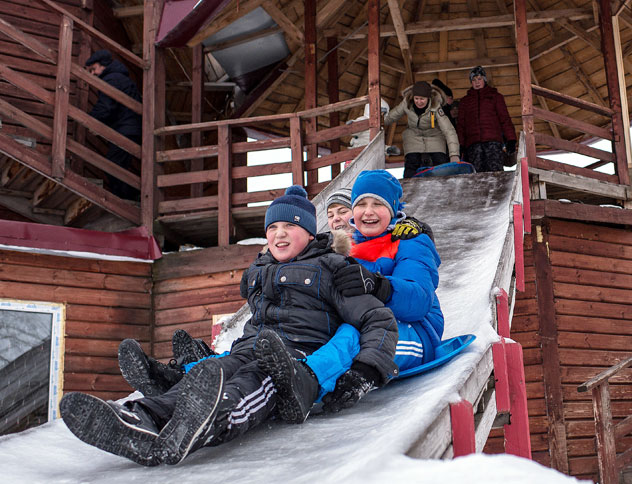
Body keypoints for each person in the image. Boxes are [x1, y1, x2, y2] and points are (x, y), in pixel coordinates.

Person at [60, 185, 398, 466]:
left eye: (289, 227)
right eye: (271, 228)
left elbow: (378, 320)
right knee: (209, 374)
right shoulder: (260, 270)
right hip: (249, 347)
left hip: (293, 358)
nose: (278, 234)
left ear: (310, 233)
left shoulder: (334, 268)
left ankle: (212, 421)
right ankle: (141, 417)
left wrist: (368, 370)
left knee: (252, 382)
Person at [319, 170, 444, 388]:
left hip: (413, 331)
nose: (368, 212)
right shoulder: (347, 249)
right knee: (334, 335)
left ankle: (333, 380)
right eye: (360, 204)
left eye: (378, 203)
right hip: (365, 325)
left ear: (392, 208)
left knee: (354, 340)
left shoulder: (411, 242)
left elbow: (419, 300)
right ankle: (302, 378)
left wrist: (378, 286)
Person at [84, 49, 142, 200]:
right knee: (118, 165)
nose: (92, 74)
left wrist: (91, 121)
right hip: (129, 128)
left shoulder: (112, 79)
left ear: (103, 65)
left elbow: (106, 106)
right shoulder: (118, 78)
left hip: (126, 129)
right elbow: (114, 108)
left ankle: (126, 198)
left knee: (113, 164)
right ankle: (127, 196)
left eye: (93, 69)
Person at [384, 80, 460, 178]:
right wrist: (379, 123)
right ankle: (408, 188)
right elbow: (391, 117)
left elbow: (449, 130)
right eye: (417, 98)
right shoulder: (406, 103)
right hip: (413, 136)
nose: (419, 102)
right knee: (411, 163)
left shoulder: (435, 106)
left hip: (434, 136)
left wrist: (454, 155)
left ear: (428, 98)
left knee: (440, 162)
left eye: (422, 99)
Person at [456, 66, 516, 172]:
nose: (477, 82)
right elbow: (461, 125)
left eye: (479, 79)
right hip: (473, 145)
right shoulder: (465, 102)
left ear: (484, 80)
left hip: (493, 143)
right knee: (476, 176)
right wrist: (460, 145)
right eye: (474, 80)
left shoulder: (496, 97)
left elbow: (505, 119)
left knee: (496, 173)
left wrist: (511, 139)